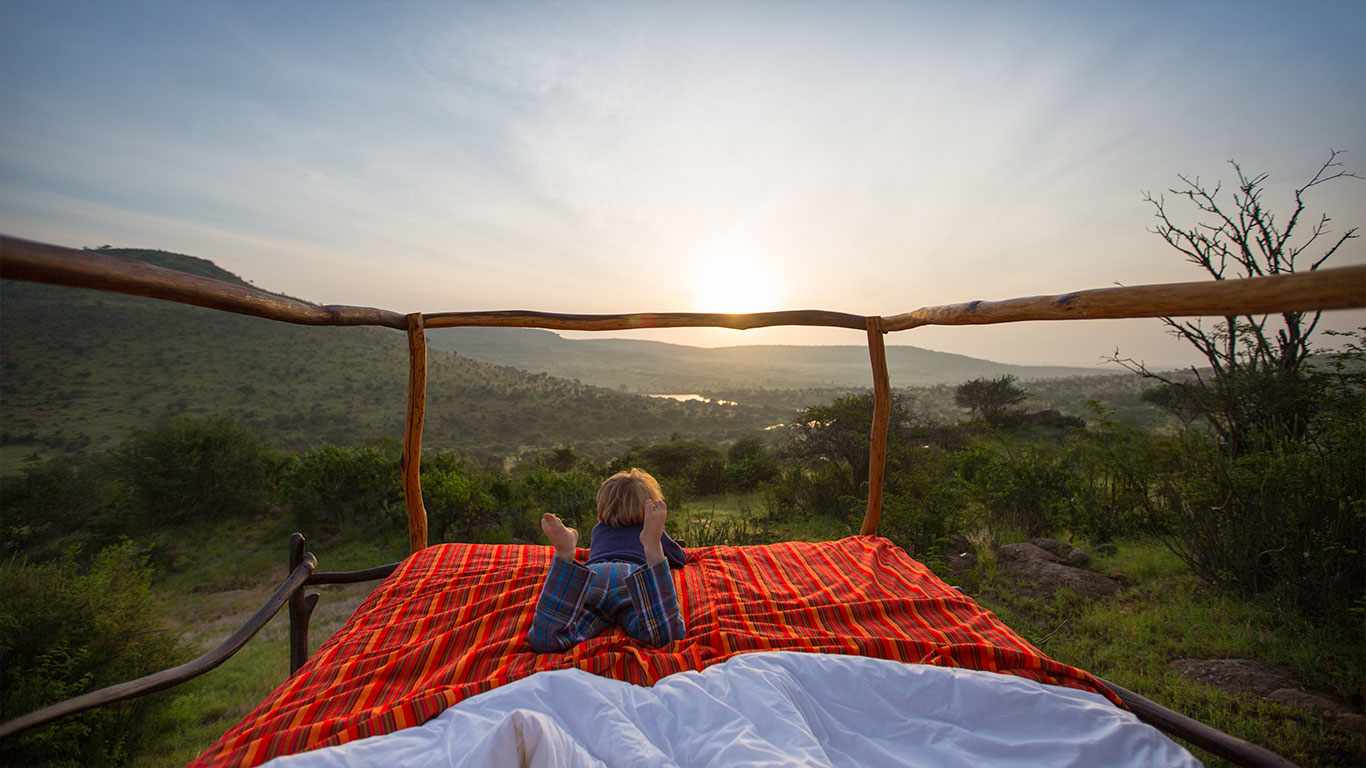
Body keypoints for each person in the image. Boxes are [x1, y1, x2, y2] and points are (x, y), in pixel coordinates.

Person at [527, 468, 687, 653]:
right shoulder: (650, 530)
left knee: (549, 641)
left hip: (594, 575)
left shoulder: (598, 530)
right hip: (631, 577)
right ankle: (653, 548)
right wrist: (660, 543)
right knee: (664, 637)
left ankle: (564, 553)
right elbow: (679, 558)